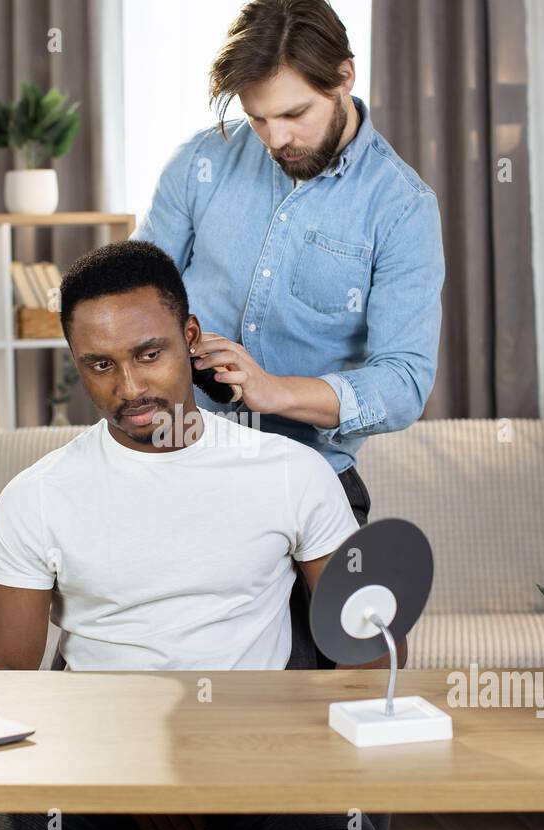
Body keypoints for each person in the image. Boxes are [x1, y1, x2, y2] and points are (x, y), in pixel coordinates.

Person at [0, 240, 400, 830]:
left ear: (190, 336)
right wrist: (126, 774)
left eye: (148, 354)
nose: (130, 387)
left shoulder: (289, 471)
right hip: (92, 772)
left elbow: (367, 661)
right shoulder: (38, 497)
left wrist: (260, 762)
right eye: (99, 365)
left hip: (255, 770)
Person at [131, 0, 445, 673]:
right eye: (257, 117)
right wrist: (179, 343)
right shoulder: (199, 164)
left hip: (317, 490)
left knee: (322, 702)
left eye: (294, 114)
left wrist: (276, 392)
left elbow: (405, 382)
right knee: (169, 687)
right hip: (182, 467)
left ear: (345, 77)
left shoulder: (401, 208)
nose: (275, 139)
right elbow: (135, 297)